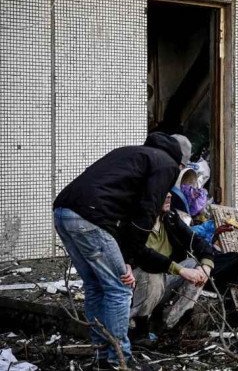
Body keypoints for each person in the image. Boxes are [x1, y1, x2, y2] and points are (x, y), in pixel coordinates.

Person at [53, 132, 184, 371]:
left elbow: (123, 214)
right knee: (120, 288)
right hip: (90, 217)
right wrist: (130, 260)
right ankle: (117, 361)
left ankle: (102, 357)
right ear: (180, 163)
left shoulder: (134, 154)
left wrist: (125, 256)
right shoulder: (166, 164)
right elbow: (145, 213)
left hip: (64, 211)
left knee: (95, 286)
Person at [128, 192, 215, 344]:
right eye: (163, 190)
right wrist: (180, 270)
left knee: (196, 267)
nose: (168, 195)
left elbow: (198, 242)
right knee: (152, 274)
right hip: (136, 288)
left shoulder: (170, 218)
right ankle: (138, 328)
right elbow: (145, 257)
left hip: (163, 279)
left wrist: (206, 267)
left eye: (169, 191)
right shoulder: (135, 222)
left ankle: (170, 324)